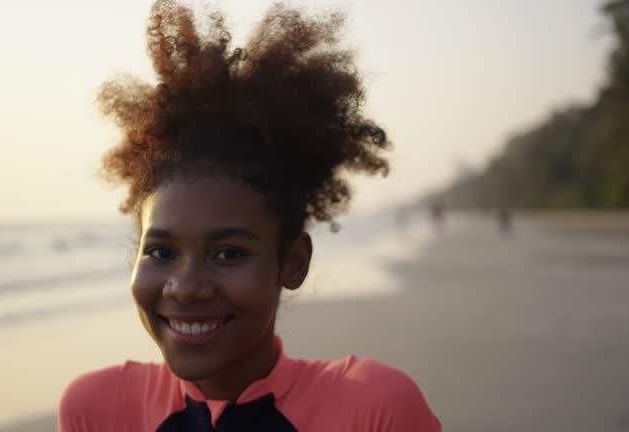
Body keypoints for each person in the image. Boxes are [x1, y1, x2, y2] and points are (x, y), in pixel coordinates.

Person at [58, 1, 441, 430]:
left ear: (293, 261)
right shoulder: (97, 411)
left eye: (227, 253)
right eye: (162, 252)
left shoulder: (373, 411)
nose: (185, 287)